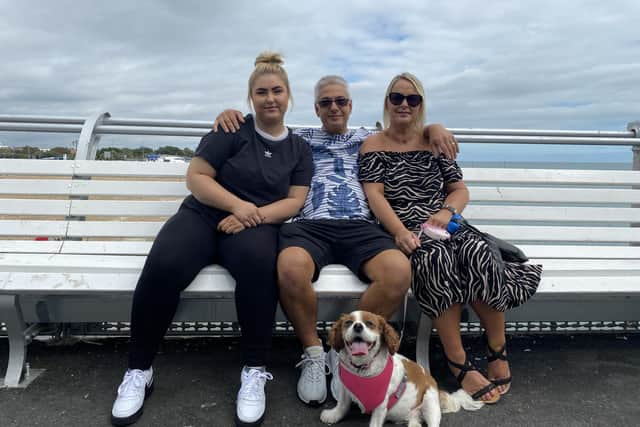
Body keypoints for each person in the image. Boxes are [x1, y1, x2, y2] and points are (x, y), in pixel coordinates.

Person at [213, 75, 459, 406]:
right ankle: (314, 354)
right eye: (326, 103)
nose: (334, 108)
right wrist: (231, 114)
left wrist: (435, 128)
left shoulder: (368, 138)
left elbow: (408, 133)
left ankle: (340, 351)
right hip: (309, 225)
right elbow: (262, 127)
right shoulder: (297, 138)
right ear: (316, 108)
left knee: (398, 272)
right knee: (289, 267)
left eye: (341, 101)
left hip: (361, 225)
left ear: (350, 105)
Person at [110, 52, 313, 427]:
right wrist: (238, 206)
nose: (270, 98)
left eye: (277, 91)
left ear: (289, 96)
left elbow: (295, 200)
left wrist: (252, 216)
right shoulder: (231, 130)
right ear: (250, 97)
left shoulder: (299, 148)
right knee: (165, 263)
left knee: (258, 266)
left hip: (254, 225)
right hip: (204, 214)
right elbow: (198, 177)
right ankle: (139, 370)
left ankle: (254, 370)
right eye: (262, 91)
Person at [358, 72, 542, 404]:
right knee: (435, 259)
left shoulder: (434, 142)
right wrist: (399, 232)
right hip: (409, 229)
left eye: (412, 99)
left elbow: (460, 190)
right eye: (396, 98)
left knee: (479, 251)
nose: (404, 104)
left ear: (421, 105)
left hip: (447, 222)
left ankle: (497, 350)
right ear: (387, 102)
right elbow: (376, 197)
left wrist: (446, 212)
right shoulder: (374, 145)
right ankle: (457, 362)